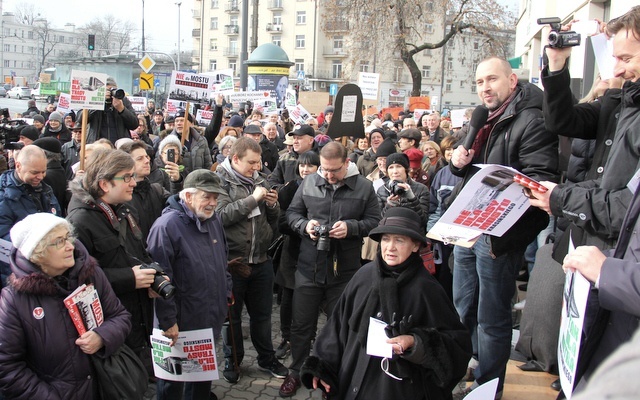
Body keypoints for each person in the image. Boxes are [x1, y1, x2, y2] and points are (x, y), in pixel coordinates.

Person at [528, 7, 640, 393]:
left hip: (618, 264)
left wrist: (562, 197)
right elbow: (563, 122)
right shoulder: (623, 102)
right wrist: (556, 67)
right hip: (590, 243)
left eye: (626, 58)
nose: (618, 69)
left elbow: (626, 207)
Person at [449, 56, 558, 399]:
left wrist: (503, 191)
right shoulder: (483, 119)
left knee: (491, 317)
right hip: (469, 229)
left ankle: (488, 386)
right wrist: (457, 163)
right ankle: (465, 365)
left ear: (512, 81)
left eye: (492, 80)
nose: (485, 88)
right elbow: (470, 171)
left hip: (500, 235)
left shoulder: (532, 119)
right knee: (462, 307)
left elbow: (542, 180)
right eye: (480, 82)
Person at [299, 207, 472, 400]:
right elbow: (337, 326)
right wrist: (321, 367)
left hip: (396, 389)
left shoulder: (427, 289)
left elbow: (457, 346)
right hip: (351, 381)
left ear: (415, 246)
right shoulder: (363, 276)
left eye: (399, 240)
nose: (390, 247)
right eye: (386, 239)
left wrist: (416, 343)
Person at [280, 142, 381, 397]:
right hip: (308, 267)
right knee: (301, 325)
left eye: (334, 170)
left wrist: (351, 228)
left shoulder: (364, 187)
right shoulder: (310, 182)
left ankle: (335, 374)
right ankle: (297, 371)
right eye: (324, 170)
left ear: (347, 163)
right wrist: (305, 225)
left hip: (344, 271)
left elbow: (375, 222)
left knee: (342, 324)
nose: (328, 175)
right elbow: (291, 214)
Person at [0, 213, 131, 399]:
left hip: (105, 388)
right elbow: (7, 367)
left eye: (68, 238)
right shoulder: (14, 300)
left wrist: (103, 337)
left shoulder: (91, 276)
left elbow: (120, 316)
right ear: (38, 252)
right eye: (59, 242)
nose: (71, 246)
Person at [66, 148, 159, 375]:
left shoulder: (125, 209)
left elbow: (139, 252)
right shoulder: (80, 221)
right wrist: (130, 278)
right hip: (110, 322)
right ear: (105, 184)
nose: (133, 183)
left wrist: (154, 274)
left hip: (137, 316)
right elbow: (76, 280)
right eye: (126, 177)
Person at [147, 170, 232, 400]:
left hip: (207, 317)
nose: (213, 203)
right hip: (179, 323)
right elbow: (158, 280)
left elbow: (222, 260)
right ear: (188, 196)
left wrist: (226, 292)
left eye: (216, 197)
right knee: (172, 383)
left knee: (201, 380)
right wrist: (168, 321)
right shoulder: (166, 226)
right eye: (207, 196)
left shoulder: (213, 220)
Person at [214, 137, 289, 383]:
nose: (257, 168)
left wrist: (273, 203)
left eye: (258, 163)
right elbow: (221, 216)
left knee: (263, 316)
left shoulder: (260, 180)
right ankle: (233, 361)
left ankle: (266, 359)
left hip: (261, 260)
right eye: (252, 163)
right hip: (232, 263)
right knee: (232, 319)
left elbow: (272, 221)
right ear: (235, 159)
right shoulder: (219, 180)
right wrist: (253, 199)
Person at [273, 151, 321, 359]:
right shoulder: (290, 188)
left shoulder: (322, 188)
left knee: (310, 300)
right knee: (288, 298)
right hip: (292, 251)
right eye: (302, 165)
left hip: (315, 253)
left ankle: (308, 338)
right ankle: (287, 338)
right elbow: (282, 222)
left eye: (309, 166)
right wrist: (303, 227)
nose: (305, 169)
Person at [0, 145, 62, 286]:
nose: (40, 177)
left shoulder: (46, 190)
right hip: (17, 275)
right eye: (35, 172)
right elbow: (4, 242)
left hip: (46, 268)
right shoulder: (3, 197)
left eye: (43, 172)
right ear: (18, 166)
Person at [376, 152, 429, 230]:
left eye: (399, 166)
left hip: (412, 234)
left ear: (406, 169)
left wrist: (412, 199)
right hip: (390, 232)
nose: (395, 171)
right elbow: (378, 221)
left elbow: (423, 221)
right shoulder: (381, 190)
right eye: (391, 167)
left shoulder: (421, 189)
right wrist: (389, 205)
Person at [83, 77, 139, 144]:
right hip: (97, 145)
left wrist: (122, 109)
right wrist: (98, 102)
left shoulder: (123, 101)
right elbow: (81, 119)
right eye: (107, 89)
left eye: (113, 89)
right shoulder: (93, 99)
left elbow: (134, 124)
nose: (110, 92)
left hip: (119, 146)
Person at [268, 125, 317, 189]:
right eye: (294, 138)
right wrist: (286, 189)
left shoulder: (322, 158)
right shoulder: (284, 159)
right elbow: (272, 182)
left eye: (299, 138)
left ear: (311, 140)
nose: (295, 142)